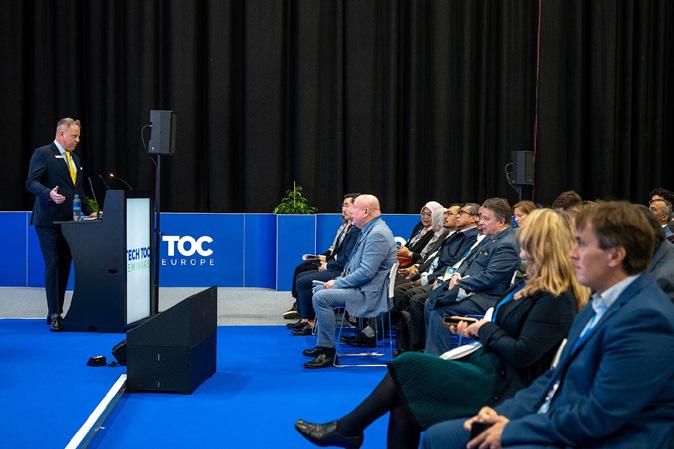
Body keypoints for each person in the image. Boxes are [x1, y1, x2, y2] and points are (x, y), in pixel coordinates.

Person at [294, 209, 588, 449]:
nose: (517, 236)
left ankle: (348, 429)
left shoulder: (555, 297)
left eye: (526, 235)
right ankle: (348, 429)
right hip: (486, 364)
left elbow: (523, 354)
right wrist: (482, 328)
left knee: (408, 364)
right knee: (405, 403)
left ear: (541, 244)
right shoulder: (531, 284)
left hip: (499, 381)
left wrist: (484, 329)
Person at [422, 201, 674, 449]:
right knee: (439, 436)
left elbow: (600, 416)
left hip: (600, 437)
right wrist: (504, 413)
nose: (573, 253)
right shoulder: (599, 303)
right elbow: (554, 378)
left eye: (582, 244)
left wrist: (513, 429)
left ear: (616, 255)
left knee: (443, 435)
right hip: (558, 418)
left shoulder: (645, 320)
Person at [302, 194, 397, 368]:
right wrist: (339, 279)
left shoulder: (377, 234)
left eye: (354, 209)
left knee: (321, 297)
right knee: (318, 290)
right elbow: (356, 268)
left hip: (369, 293)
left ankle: (328, 352)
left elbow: (366, 273)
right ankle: (324, 344)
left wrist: (337, 283)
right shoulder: (370, 230)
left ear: (366, 211)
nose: (350, 212)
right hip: (363, 287)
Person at [422, 198, 521, 353]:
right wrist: (457, 274)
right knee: (431, 301)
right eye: (481, 217)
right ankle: (432, 351)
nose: (481, 222)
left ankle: (436, 357)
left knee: (440, 309)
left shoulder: (507, 243)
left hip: (489, 296)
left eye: (486, 219)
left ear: (501, 221)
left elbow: (491, 278)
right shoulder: (491, 237)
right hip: (472, 287)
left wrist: (462, 283)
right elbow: (469, 261)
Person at [26, 118, 95, 331]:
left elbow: (78, 191)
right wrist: (49, 193)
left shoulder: (75, 158)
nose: (78, 140)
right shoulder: (43, 153)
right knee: (53, 264)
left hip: (69, 223)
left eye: (78, 136)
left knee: (65, 266)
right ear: (61, 134)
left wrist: (91, 210)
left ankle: (57, 310)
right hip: (48, 221)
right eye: (74, 136)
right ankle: (54, 314)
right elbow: (31, 182)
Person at [288, 197, 361, 335]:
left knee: (303, 281)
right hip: (337, 266)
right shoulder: (347, 228)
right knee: (301, 274)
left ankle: (310, 322)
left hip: (342, 272)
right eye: (343, 206)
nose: (344, 209)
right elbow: (336, 251)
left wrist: (327, 265)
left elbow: (345, 259)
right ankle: (305, 317)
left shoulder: (356, 230)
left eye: (347, 205)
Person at [397, 201, 444, 266]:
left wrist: (409, 254)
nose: (425, 217)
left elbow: (424, 257)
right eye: (423, 214)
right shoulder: (420, 225)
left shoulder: (435, 233)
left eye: (429, 215)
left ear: (437, 216)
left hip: (415, 265)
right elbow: (409, 243)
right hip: (405, 260)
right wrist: (400, 250)